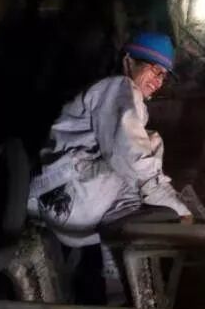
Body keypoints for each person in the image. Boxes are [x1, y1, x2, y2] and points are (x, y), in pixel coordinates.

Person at [28, 31, 193, 248]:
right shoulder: (117, 87)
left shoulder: (125, 102)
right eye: (155, 70)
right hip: (66, 197)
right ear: (128, 61)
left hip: (77, 211)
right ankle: (136, 214)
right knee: (144, 150)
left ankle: (125, 223)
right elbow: (128, 153)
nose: (158, 81)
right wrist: (177, 207)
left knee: (149, 144)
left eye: (163, 75)